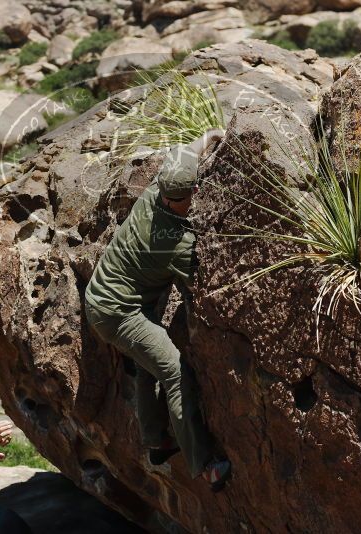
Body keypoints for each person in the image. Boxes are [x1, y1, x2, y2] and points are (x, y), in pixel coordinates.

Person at [84, 128, 232, 491]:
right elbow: (204, 285)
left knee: (150, 363)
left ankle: (156, 442)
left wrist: (212, 135)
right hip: (119, 313)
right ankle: (205, 462)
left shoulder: (157, 189)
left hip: (104, 297)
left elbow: (189, 149)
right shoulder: (176, 244)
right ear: (193, 193)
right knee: (175, 371)